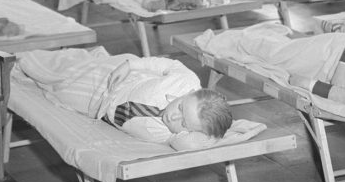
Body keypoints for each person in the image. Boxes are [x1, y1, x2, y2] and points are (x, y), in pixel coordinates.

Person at [15, 49, 233, 150]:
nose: (172, 117)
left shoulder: (175, 136)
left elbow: (191, 144)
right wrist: (131, 65)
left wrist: (208, 133)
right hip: (114, 79)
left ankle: (30, 71)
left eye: (183, 123)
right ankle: (22, 58)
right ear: (187, 94)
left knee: (60, 91)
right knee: (60, 70)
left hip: (98, 107)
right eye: (180, 108)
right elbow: (163, 65)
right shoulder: (185, 81)